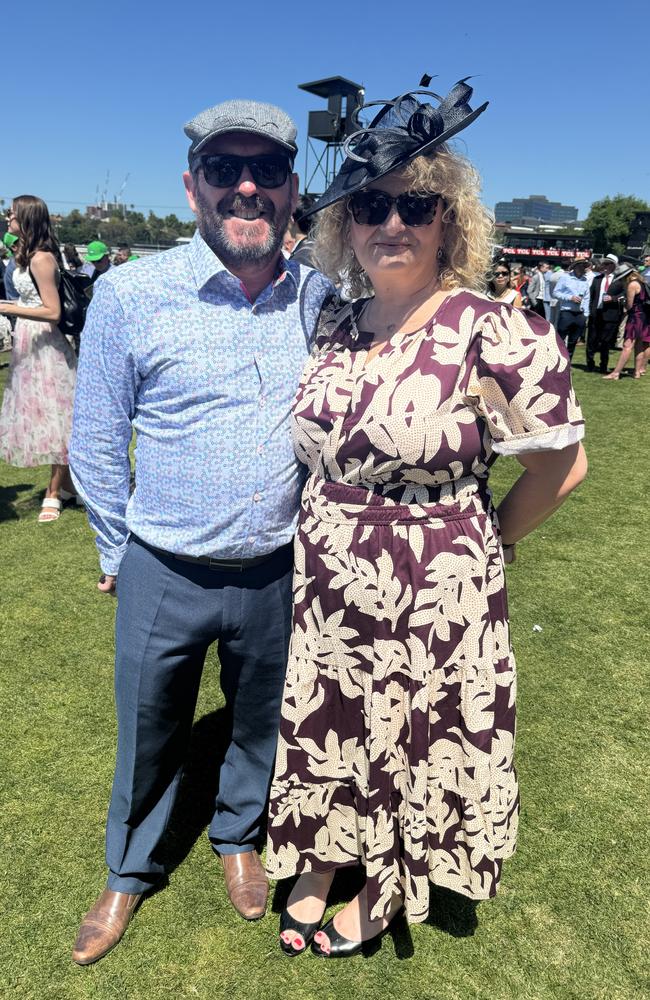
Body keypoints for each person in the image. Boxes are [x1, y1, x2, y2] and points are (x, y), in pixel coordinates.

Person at [265, 78, 587, 959]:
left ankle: (386, 880)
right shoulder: (335, 322)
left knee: (409, 729)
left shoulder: (493, 332)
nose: (391, 224)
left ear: (450, 222)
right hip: (329, 576)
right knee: (330, 716)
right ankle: (322, 861)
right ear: (345, 223)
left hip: (435, 583)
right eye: (370, 205)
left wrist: (492, 542)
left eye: (416, 205)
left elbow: (564, 465)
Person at [69, 98, 332, 966]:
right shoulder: (130, 293)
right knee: (149, 729)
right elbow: (97, 441)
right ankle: (128, 869)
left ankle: (238, 837)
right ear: (193, 188)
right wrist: (117, 550)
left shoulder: (324, 301)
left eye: (267, 171)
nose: (247, 187)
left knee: (262, 723)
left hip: (277, 568)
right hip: (164, 566)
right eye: (226, 170)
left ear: (294, 190)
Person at [0, 196, 78, 521]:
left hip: (46, 344)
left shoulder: (42, 258)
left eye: (13, 215)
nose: (8, 219)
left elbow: (53, 311)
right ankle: (69, 485)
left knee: (58, 419)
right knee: (43, 417)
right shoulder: (26, 254)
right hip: (29, 343)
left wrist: (7, 307)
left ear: (27, 219)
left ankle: (53, 492)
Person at [602, 270, 650, 379]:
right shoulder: (642, 283)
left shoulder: (632, 285)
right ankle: (637, 372)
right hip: (645, 318)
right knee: (639, 346)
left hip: (635, 318)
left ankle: (616, 373)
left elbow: (629, 305)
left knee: (627, 346)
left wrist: (622, 302)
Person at [587, 254, 624, 373]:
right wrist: (589, 311)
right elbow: (591, 296)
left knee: (605, 342)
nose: (605, 266)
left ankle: (603, 365)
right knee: (592, 339)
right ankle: (590, 363)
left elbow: (624, 295)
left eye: (608, 264)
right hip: (596, 313)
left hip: (610, 314)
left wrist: (613, 298)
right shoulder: (597, 279)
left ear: (613, 266)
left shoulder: (619, 280)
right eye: (604, 264)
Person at [553, 259, 590, 359]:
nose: (583, 268)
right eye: (581, 266)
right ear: (575, 267)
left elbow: (587, 297)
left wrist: (585, 314)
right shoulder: (565, 277)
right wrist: (570, 297)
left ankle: (568, 362)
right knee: (560, 338)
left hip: (579, 314)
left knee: (573, 341)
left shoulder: (585, 280)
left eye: (584, 266)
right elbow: (556, 293)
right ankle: (556, 359)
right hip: (566, 312)